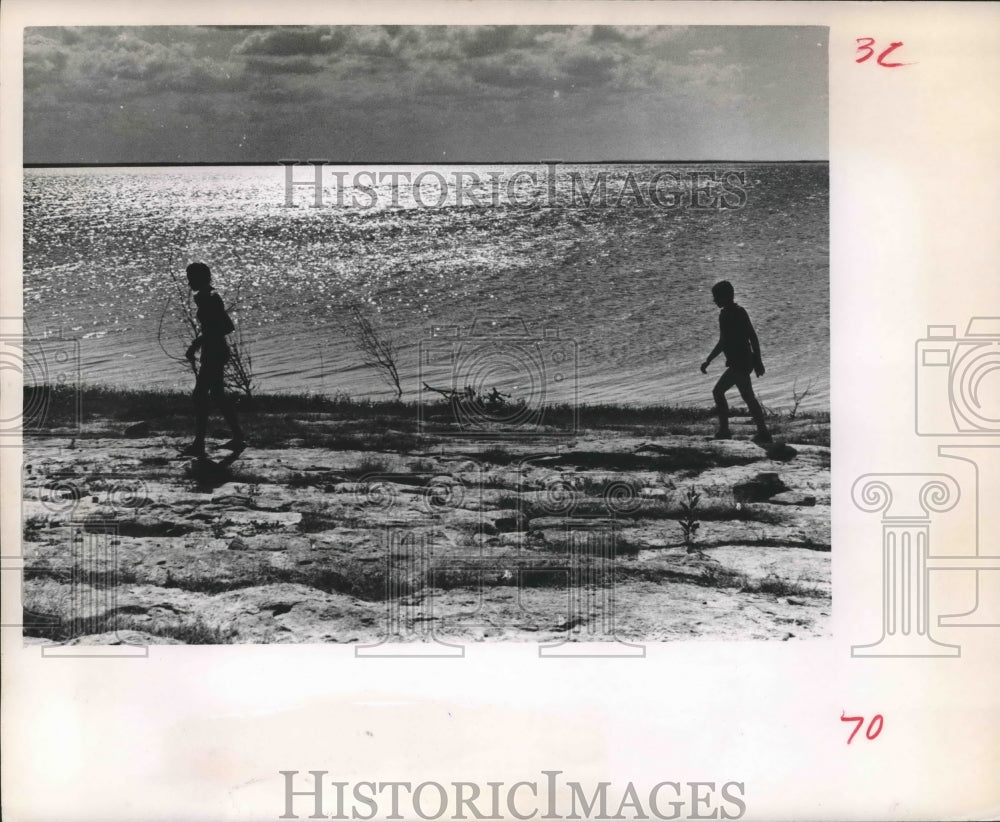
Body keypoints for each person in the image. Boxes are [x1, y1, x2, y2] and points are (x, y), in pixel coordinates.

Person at [180, 262, 247, 457]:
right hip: (213, 350)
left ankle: (199, 443)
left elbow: (225, 327)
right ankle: (237, 436)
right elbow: (213, 328)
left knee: (200, 395)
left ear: (200, 278)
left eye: (191, 277)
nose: (188, 280)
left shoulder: (210, 298)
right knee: (217, 394)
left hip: (215, 352)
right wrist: (198, 343)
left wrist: (198, 343)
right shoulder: (204, 297)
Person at [700, 280, 772, 444]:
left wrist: (758, 361)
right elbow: (723, 342)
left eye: (716, 297)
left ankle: (725, 430)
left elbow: (752, 337)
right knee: (748, 397)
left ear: (726, 296)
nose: (714, 300)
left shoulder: (739, 312)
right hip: (738, 362)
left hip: (741, 362)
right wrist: (708, 360)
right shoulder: (724, 314)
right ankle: (763, 432)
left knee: (719, 392)